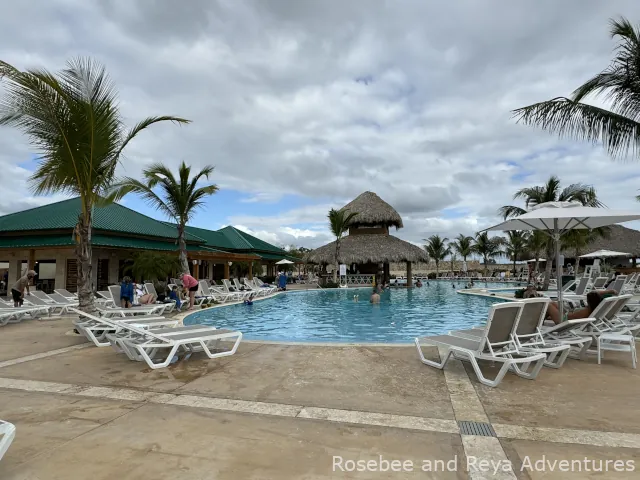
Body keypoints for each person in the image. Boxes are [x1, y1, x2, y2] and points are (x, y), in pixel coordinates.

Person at [546, 290, 615, 325]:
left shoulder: (586, 311)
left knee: (549, 305)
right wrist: (608, 291)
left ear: (589, 301)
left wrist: (562, 313)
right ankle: (545, 317)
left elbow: (570, 317)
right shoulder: (596, 307)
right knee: (552, 303)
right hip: (568, 316)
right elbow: (594, 294)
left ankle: (539, 321)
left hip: (564, 321)